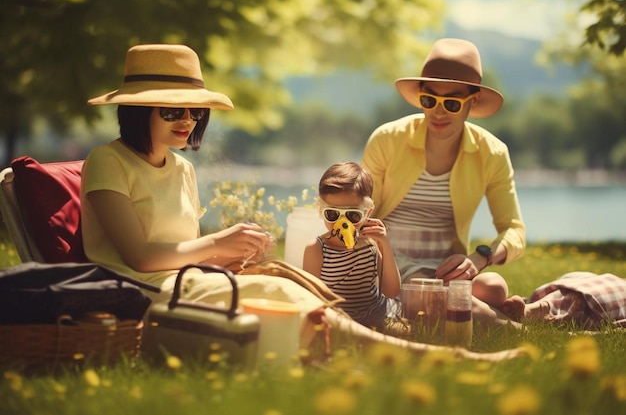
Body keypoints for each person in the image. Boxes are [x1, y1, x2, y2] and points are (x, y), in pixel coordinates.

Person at [82, 43, 523, 362]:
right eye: (172, 111)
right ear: (140, 111)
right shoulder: (107, 162)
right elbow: (139, 257)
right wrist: (219, 244)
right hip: (142, 286)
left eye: (194, 111)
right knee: (286, 290)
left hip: (188, 280)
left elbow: (181, 248)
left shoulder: (181, 170)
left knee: (286, 284)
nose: (188, 121)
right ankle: (432, 355)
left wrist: (228, 259)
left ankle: (432, 345)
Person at [361, 38, 526, 322]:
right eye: (429, 100)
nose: (437, 112)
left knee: (495, 287)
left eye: (451, 103)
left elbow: (514, 231)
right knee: (431, 295)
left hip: (444, 267)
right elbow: (359, 211)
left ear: (472, 101)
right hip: (387, 261)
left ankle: (472, 309)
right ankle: (508, 326)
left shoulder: (492, 153)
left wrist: (479, 258)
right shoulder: (387, 139)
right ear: (421, 96)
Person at [302, 162, 402, 331]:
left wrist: (384, 244)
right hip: (337, 317)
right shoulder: (316, 249)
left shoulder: (370, 244)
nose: (343, 223)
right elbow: (311, 298)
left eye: (353, 215)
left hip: (375, 312)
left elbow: (391, 291)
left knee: (405, 321)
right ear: (321, 211)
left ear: (367, 213)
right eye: (332, 214)